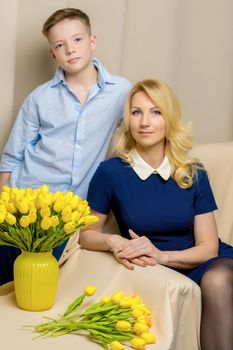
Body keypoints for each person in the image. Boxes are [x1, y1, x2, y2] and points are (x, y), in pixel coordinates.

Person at [79, 79, 233, 350]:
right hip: (153, 272)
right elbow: (86, 235)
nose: (144, 122)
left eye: (156, 112)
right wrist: (114, 241)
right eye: (136, 112)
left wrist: (162, 256)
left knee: (218, 280)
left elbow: (208, 248)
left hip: (203, 262)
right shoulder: (111, 172)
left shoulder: (193, 172)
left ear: (169, 119)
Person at [0, 8, 131, 286]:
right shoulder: (39, 98)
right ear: (53, 54)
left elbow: (139, 133)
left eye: (77, 40)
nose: (70, 50)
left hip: (67, 213)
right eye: (60, 45)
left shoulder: (121, 91)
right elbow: (11, 158)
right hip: (24, 200)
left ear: (92, 41)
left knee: (36, 278)